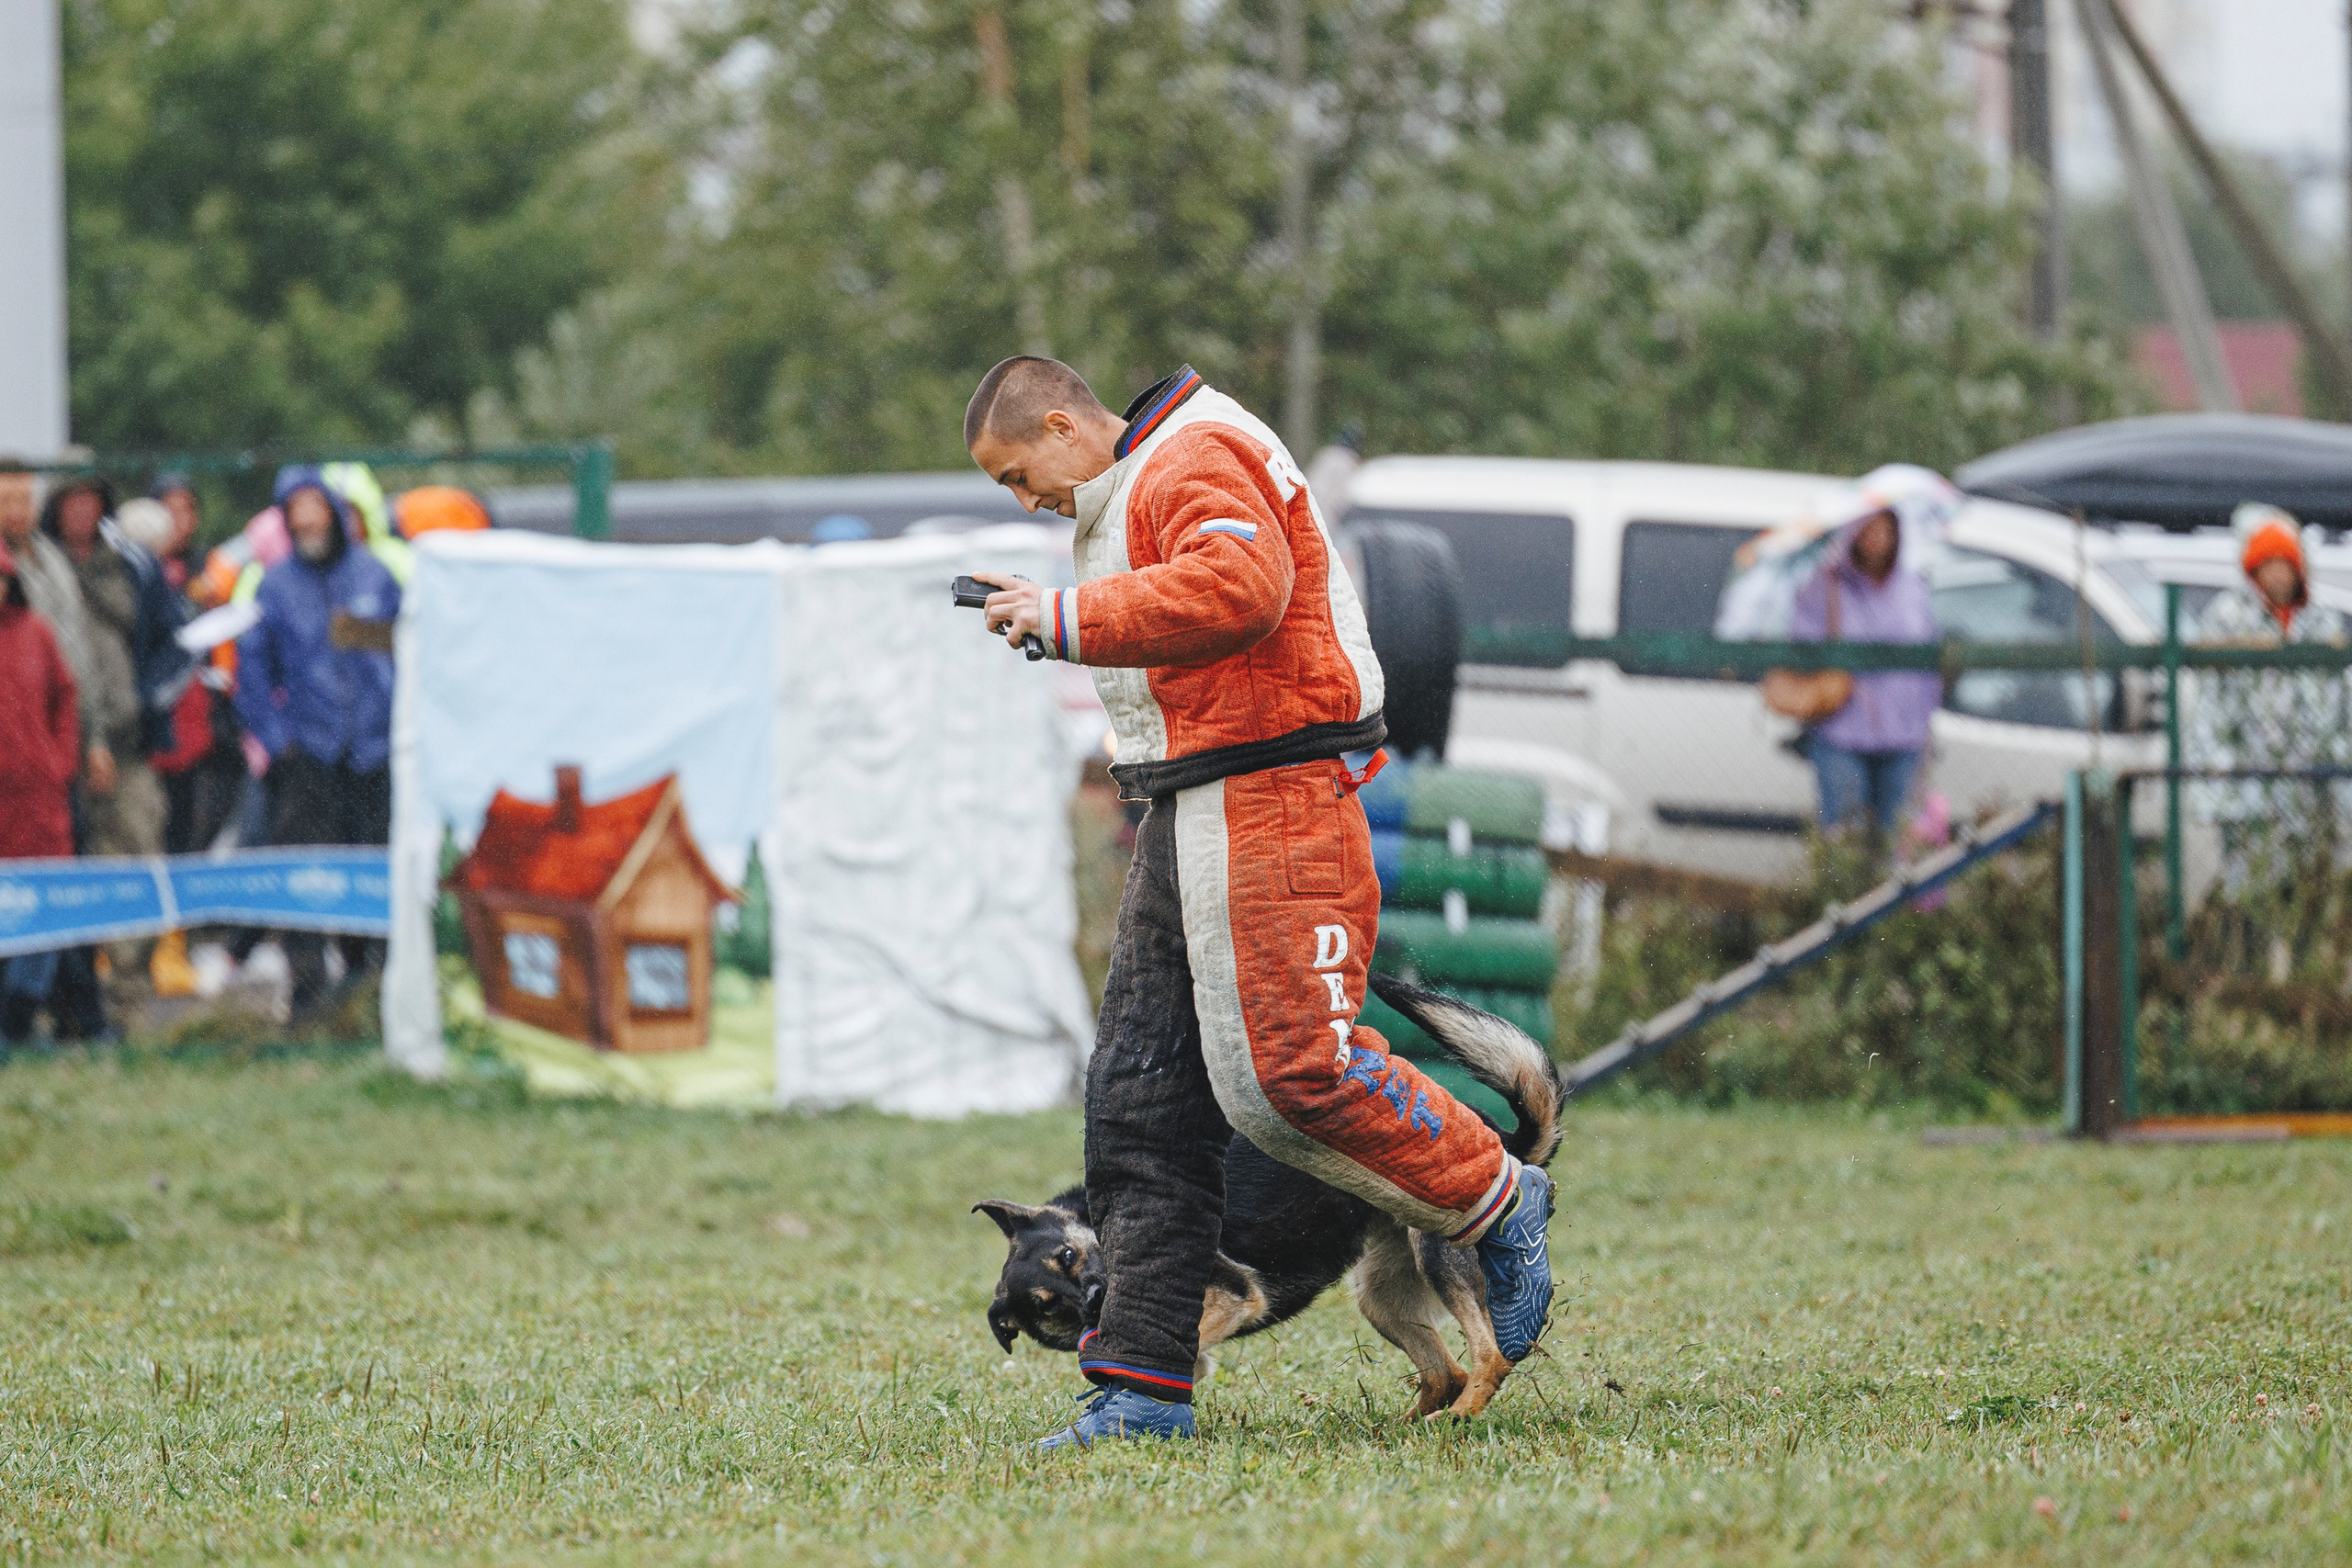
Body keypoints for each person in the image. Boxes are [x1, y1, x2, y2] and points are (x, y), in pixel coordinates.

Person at [963, 357, 1554, 1449]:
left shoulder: (1196, 455)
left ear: (1059, 423)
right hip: (1183, 799)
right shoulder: (1142, 472)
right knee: (1137, 1106)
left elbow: (1241, 591)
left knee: (1288, 1075)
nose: (1023, 499)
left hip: (1272, 791)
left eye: (1016, 473)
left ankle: (1498, 1197)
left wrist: (1066, 613)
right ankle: (1143, 1388)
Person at [234, 467, 400, 1017]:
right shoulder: (275, 587)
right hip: (310, 756)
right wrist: (279, 743)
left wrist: (394, 726)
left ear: (334, 511)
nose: (307, 520)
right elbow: (253, 673)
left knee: (371, 871)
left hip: (374, 755)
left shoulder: (374, 576)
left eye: (315, 507)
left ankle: (368, 985)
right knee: (307, 876)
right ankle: (306, 991)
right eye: (295, 511)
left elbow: (401, 655)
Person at [2186, 503, 2352, 969]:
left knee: (2314, 896)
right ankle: (2254, 983)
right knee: (2254, 894)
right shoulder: (2227, 620)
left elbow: (2341, 705)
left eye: (2287, 565)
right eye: (2270, 566)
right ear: (2256, 569)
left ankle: (2303, 986)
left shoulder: (2321, 625)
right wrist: (2223, 784)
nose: (2280, 577)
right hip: (2252, 791)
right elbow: (2211, 710)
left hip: (2314, 792)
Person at [1788, 504, 1940, 839]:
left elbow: (1930, 657)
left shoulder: (1912, 586)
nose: (1876, 540)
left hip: (1904, 733)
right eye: (1868, 530)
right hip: (1843, 729)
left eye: (1884, 530)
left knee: (1895, 842)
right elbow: (1801, 642)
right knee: (1844, 838)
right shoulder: (1827, 584)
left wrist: (1928, 722)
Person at [0, 539, 82, 1046]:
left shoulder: (37, 634)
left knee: (44, 905)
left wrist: (60, 762)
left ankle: (21, 1016)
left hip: (38, 802)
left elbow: (66, 697)